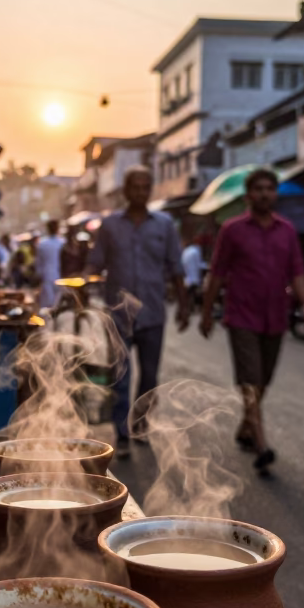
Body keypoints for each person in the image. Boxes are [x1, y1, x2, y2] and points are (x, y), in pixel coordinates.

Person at [199, 167, 304, 474]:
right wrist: (206, 312)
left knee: (263, 380)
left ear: (275, 193)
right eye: (259, 189)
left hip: (276, 316)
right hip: (242, 316)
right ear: (248, 195)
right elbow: (218, 274)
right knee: (250, 378)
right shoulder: (232, 230)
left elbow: (297, 272)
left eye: (269, 189)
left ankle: (245, 427)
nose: (265, 194)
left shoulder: (287, 230)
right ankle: (261, 444)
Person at [87, 165, 189, 458]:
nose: (141, 192)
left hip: (153, 312)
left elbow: (176, 268)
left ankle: (141, 424)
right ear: (125, 190)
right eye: (135, 187)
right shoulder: (109, 226)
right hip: (119, 315)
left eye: (146, 187)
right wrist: (78, 284)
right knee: (121, 375)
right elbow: (95, 262)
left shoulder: (165, 225)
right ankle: (121, 432)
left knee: (150, 375)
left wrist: (183, 304)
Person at [37, 219, 64, 309]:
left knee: (48, 306)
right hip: (61, 276)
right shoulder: (63, 243)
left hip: (47, 276)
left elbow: (39, 263)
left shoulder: (42, 244)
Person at [181, 230, 203, 314]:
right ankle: (191, 307)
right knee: (193, 292)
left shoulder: (187, 251)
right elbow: (199, 265)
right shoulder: (196, 251)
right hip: (193, 277)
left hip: (186, 277)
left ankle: (188, 307)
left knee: (190, 293)